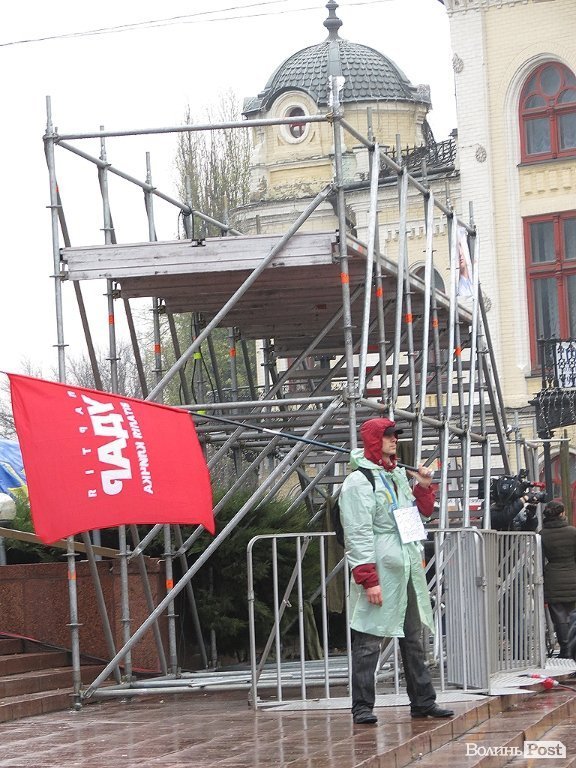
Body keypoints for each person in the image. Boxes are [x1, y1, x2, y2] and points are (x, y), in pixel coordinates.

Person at [339, 417, 454, 725]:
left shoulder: (396, 476)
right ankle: (362, 706)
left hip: (405, 569)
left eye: (395, 436)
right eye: (388, 436)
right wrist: (368, 578)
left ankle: (423, 701)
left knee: (413, 639)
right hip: (380, 570)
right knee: (368, 642)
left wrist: (423, 488)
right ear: (375, 441)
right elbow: (357, 533)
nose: (394, 440)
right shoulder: (359, 482)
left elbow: (418, 515)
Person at [540, 500, 576, 658]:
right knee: (573, 614)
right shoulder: (573, 532)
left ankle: (564, 649)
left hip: (553, 577)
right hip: (573, 574)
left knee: (559, 615)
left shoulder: (542, 534)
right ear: (561, 514)